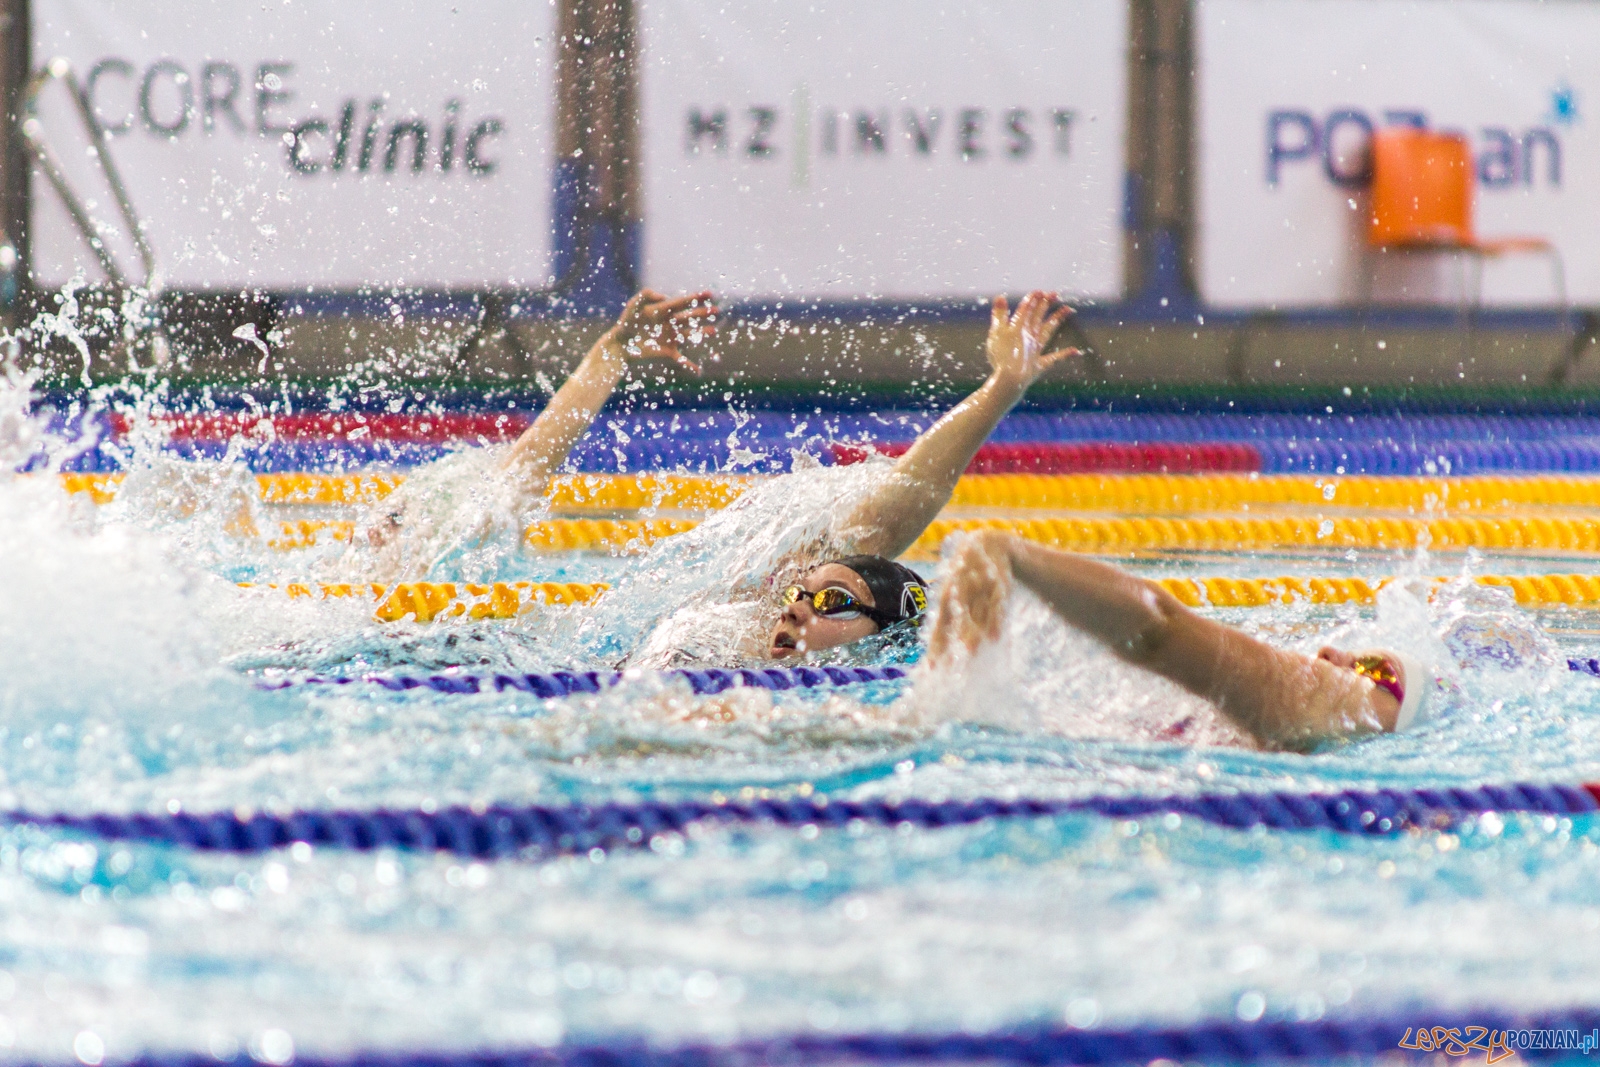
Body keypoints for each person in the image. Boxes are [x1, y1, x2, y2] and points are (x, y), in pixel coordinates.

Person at [356, 286, 1079, 664]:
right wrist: (604, 359)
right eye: (813, 580)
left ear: (869, 636)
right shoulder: (721, 617)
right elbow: (512, 486)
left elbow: (899, 512)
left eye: (832, 599)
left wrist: (1002, 391)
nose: (802, 596)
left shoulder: (805, 689)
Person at [926, 530, 1438, 751]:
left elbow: (1158, 633)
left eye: (1372, 669)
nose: (1329, 654)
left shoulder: (1348, 714)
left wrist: (1013, 557)